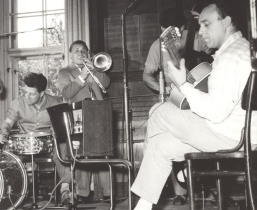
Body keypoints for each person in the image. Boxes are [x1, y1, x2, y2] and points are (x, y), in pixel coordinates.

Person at [131, 1, 257, 210]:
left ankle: (188, 172)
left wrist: (182, 84)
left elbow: (215, 113)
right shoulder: (241, 49)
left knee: (157, 113)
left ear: (226, 22)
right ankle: (144, 205)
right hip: (236, 132)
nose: (201, 31)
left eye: (206, 24)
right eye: (200, 25)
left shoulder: (231, 57)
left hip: (229, 135)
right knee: (161, 145)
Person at [142, 7, 212, 205]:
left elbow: (211, 62)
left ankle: (210, 186)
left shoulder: (198, 37)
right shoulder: (158, 45)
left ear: (181, 27)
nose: (166, 36)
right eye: (163, 31)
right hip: (174, 98)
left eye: (170, 31)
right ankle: (179, 191)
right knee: (164, 133)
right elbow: (146, 74)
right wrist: (162, 90)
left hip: (202, 96)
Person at [57, 40, 111, 202]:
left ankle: (109, 192)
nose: (80, 53)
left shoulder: (95, 68)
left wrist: (94, 70)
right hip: (78, 114)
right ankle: (83, 193)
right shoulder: (65, 72)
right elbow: (67, 93)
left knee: (104, 153)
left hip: (99, 113)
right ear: (71, 55)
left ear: (88, 53)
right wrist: (82, 77)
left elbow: (106, 84)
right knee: (81, 154)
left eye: (83, 50)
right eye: (76, 51)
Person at [0, 72, 61, 142]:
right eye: (25, 92)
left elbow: (58, 129)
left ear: (41, 93)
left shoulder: (55, 104)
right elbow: (8, 122)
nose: (27, 96)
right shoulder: (17, 103)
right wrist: (4, 132)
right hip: (24, 143)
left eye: (31, 94)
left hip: (47, 143)